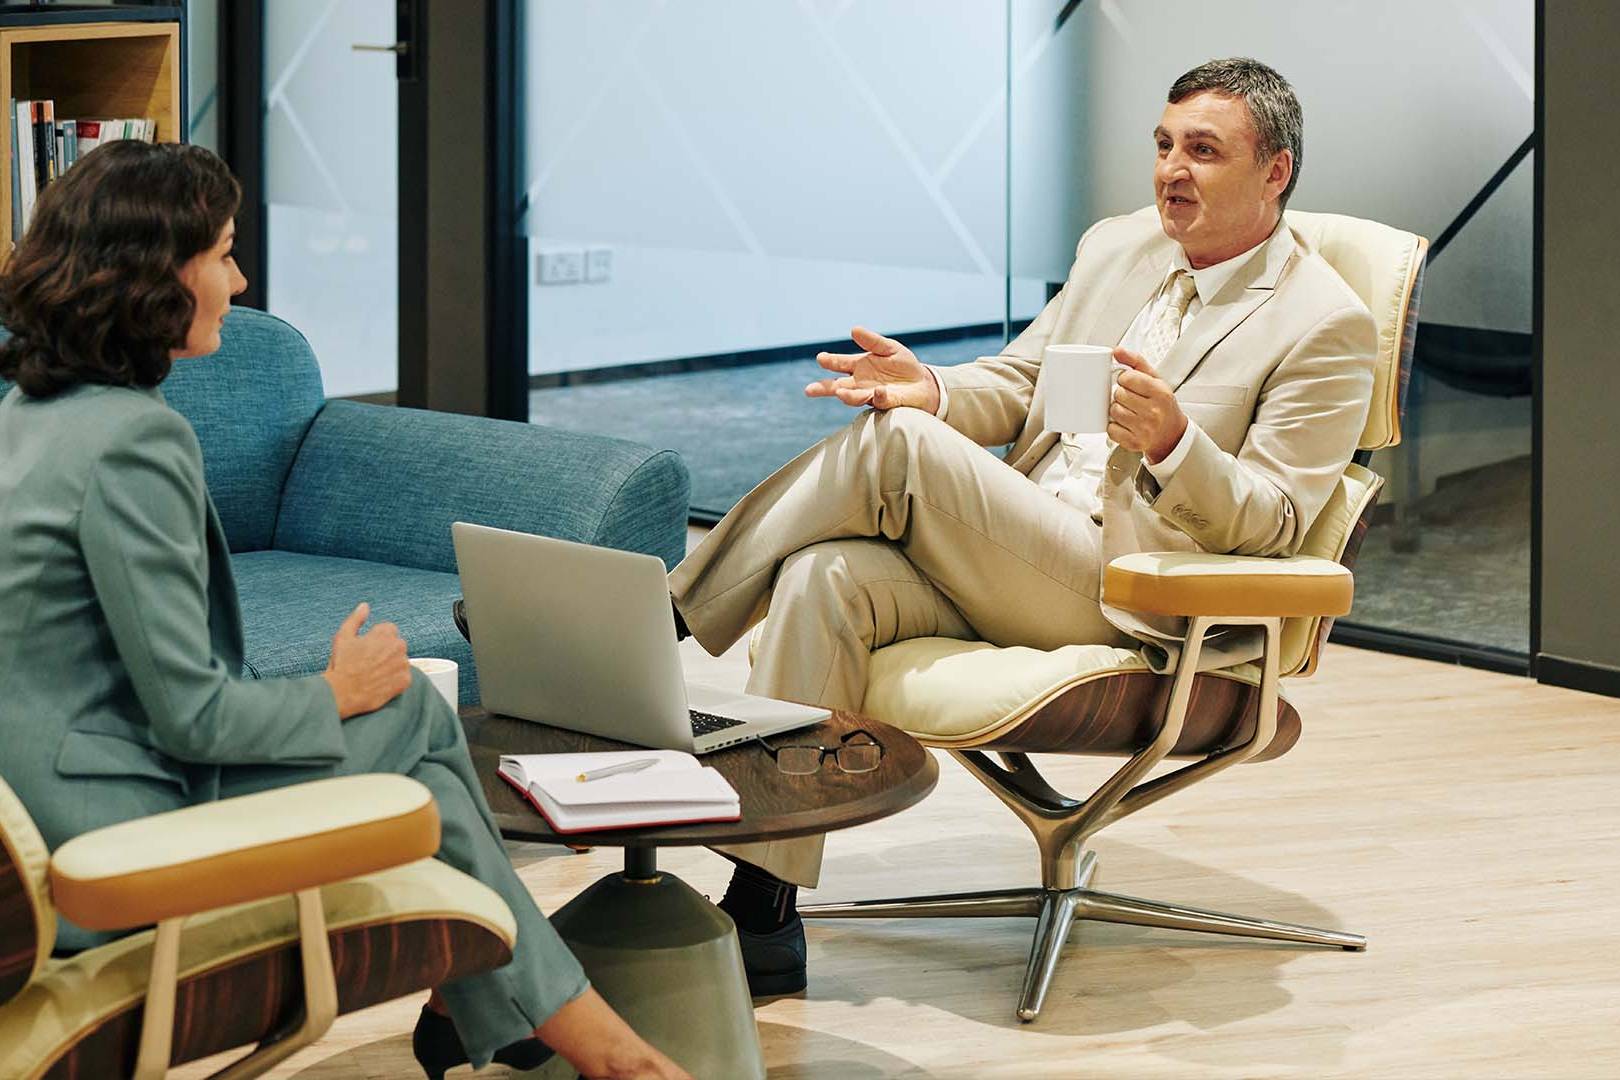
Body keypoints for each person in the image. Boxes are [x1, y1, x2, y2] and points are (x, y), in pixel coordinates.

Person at [670, 58, 1378, 995]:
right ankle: (765, 910)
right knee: (826, 575)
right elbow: (1019, 384)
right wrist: (930, 387)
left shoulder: (1325, 323)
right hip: (1025, 544)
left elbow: (1279, 521)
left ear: (1275, 171)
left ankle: (664, 619)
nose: (1172, 170)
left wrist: (1174, 443)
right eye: (1164, 146)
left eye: (1203, 152)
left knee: (899, 451)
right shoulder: (1120, 249)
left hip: (1139, 593)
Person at [0, 141, 689, 1080]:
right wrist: (335, 689)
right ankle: (578, 1039)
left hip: (46, 802)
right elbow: (195, 717)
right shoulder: (132, 444)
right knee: (407, 714)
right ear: (160, 276)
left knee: (422, 749)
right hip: (111, 839)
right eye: (225, 253)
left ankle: (527, 1017)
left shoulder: (26, 420)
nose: (240, 282)